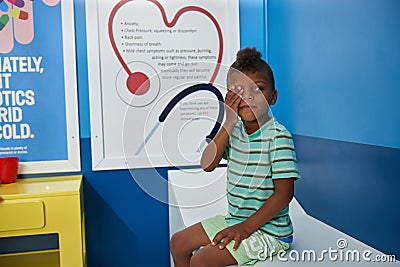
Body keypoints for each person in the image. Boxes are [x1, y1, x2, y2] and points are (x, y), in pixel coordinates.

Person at [170, 47, 301, 267]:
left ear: (273, 96)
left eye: (258, 89)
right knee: (178, 243)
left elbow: (284, 195)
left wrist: (245, 229)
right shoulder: (235, 131)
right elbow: (207, 164)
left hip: (270, 232)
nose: (248, 96)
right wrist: (229, 121)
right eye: (238, 91)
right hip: (237, 220)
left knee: (202, 260)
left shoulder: (278, 137)